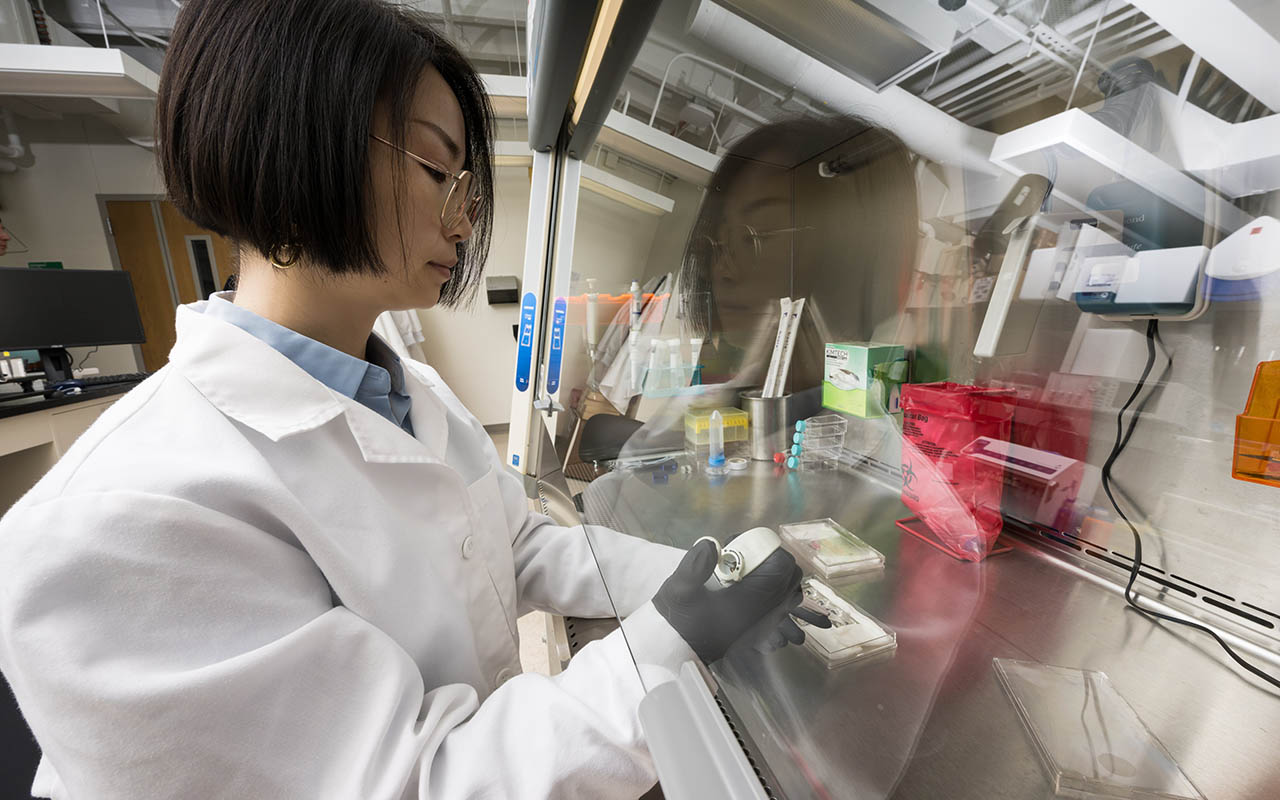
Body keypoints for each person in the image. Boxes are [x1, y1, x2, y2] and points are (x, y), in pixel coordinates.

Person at [0, 2, 818, 798]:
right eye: (437, 170)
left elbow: (518, 545)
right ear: (293, 142)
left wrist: (704, 579)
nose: (465, 219)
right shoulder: (117, 525)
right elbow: (412, 782)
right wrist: (661, 651)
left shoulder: (410, 392)